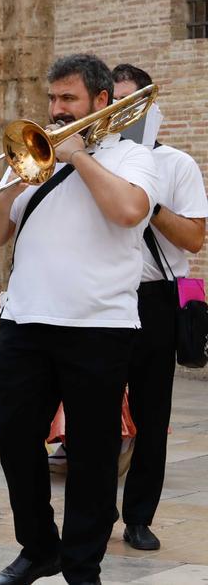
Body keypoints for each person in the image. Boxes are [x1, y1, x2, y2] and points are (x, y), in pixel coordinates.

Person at [0, 54, 158, 584]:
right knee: (12, 436)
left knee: (94, 454)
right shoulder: (33, 159)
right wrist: (14, 180)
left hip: (99, 326)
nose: (55, 111)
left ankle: (82, 564)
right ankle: (38, 546)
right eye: (52, 99)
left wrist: (78, 157)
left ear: (101, 102)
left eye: (68, 100)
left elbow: (128, 212)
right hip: (27, 322)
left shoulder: (131, 158)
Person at [112, 63, 207, 551]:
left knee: (151, 413)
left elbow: (194, 237)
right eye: (115, 102)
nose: (123, 112)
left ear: (151, 106)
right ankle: (96, 503)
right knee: (96, 406)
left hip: (155, 298)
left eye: (133, 102)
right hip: (105, 292)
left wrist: (148, 202)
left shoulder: (177, 165)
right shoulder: (94, 161)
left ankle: (139, 516)